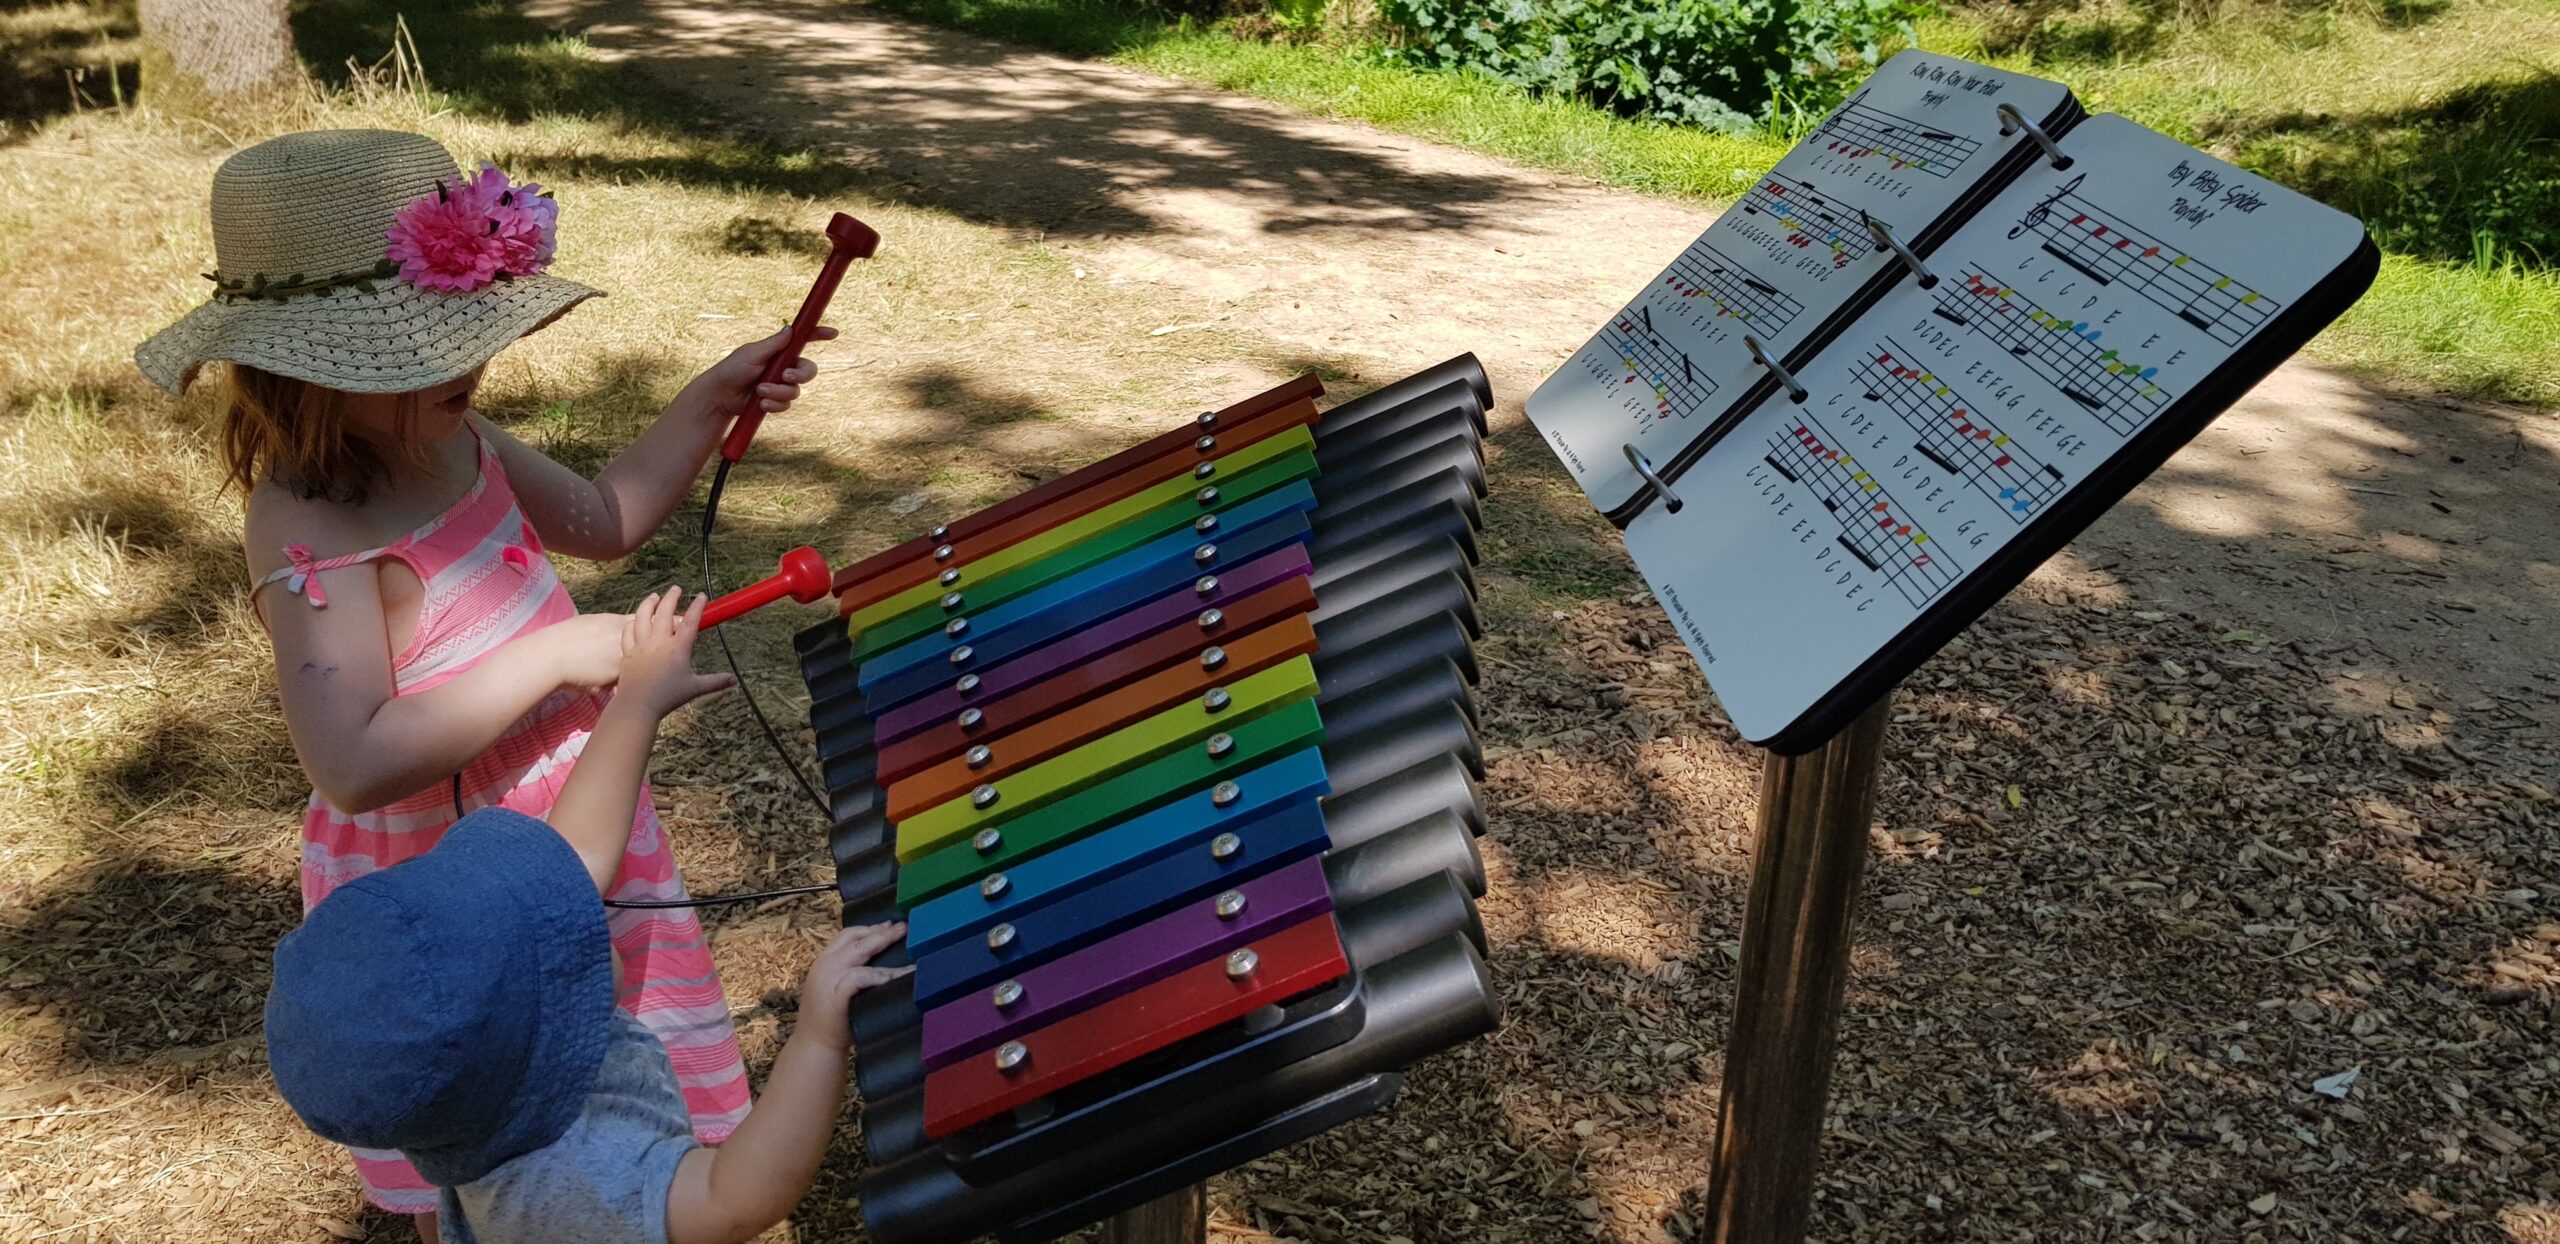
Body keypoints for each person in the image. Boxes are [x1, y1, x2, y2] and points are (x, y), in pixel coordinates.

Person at [134, 127, 838, 1231]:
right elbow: (353, 760)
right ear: (304, 369)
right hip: (447, 883)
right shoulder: (309, 518)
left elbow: (604, 520)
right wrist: (556, 653)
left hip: (576, 816)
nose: (466, 364)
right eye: (416, 352)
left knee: (624, 1083)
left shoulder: (457, 438)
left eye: (463, 334)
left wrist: (711, 398)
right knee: (486, 1155)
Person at [266, 587, 911, 1244]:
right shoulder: (568, 1183)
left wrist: (638, 700)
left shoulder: (482, 1110)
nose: (578, 914)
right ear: (535, 1045)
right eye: (554, 935)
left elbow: (577, 853)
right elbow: (735, 1197)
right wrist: (816, 1039)